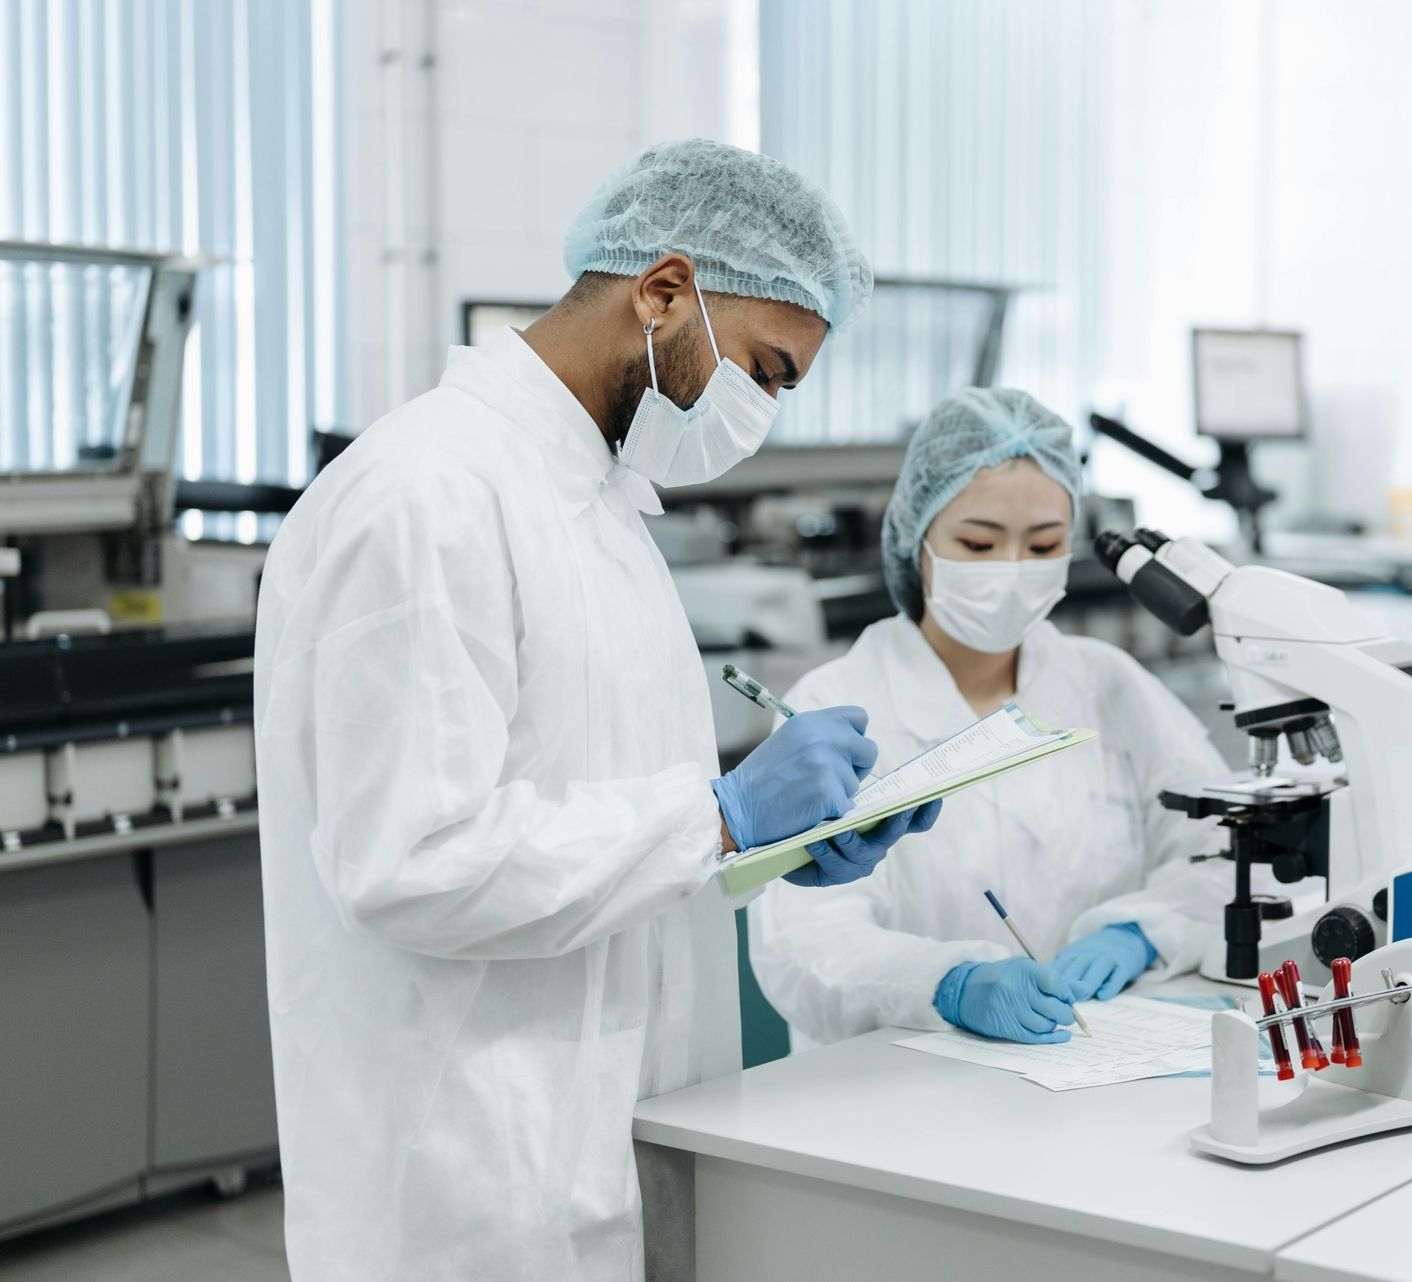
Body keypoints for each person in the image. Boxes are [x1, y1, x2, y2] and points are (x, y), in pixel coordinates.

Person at [254, 140, 937, 1282]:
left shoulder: (602, 499)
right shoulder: (429, 496)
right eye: (765, 371)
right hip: (468, 1178)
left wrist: (767, 846)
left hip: (601, 1137)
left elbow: (597, 813)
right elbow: (411, 860)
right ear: (663, 291)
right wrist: (718, 815)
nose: (762, 410)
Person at [748, 388, 1229, 1050]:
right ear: (916, 538)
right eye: (978, 543)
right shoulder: (834, 705)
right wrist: (947, 984)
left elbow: (1223, 852)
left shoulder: (1109, 684)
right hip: (897, 1084)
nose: (1011, 572)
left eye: (1044, 545)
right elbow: (805, 942)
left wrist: (1145, 929)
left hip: (1095, 1067)